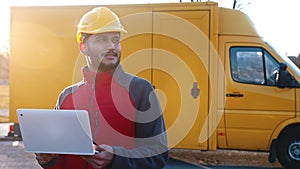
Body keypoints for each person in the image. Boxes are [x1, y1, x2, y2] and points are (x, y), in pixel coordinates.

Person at [35, 7, 169, 169]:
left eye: (115, 40)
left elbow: (158, 153)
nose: (112, 46)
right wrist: (48, 160)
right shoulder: (67, 96)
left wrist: (116, 158)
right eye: (102, 40)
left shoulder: (140, 90)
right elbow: (59, 156)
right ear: (83, 47)